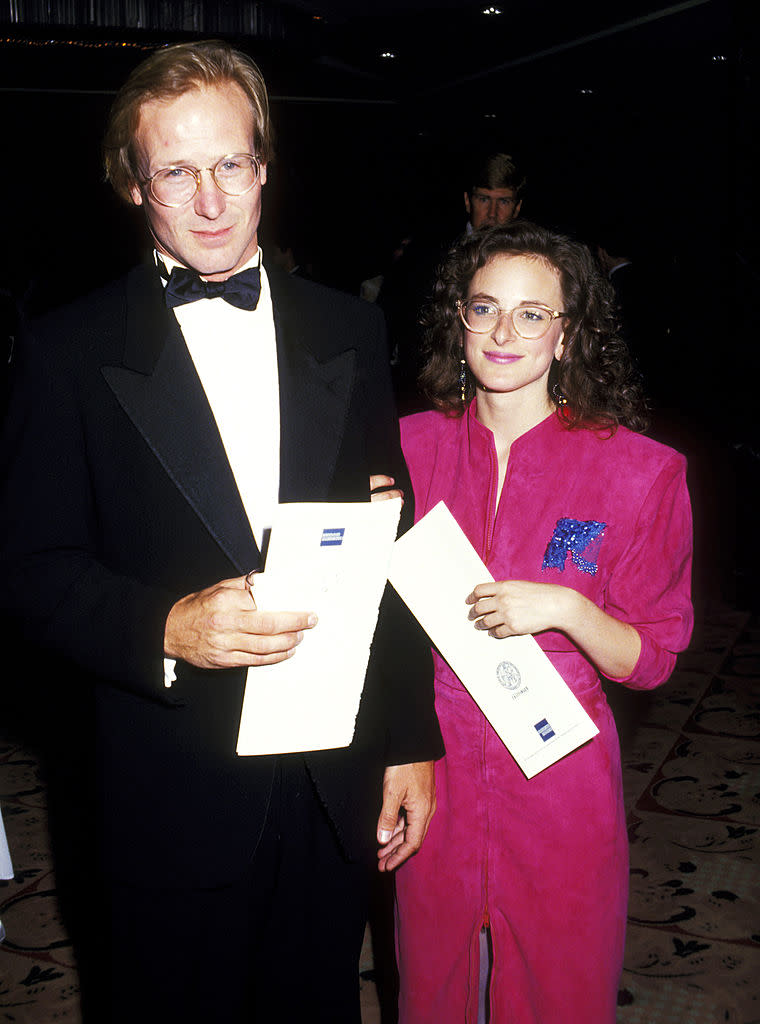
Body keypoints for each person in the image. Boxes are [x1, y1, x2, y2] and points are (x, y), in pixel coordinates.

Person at [0, 40, 443, 1024]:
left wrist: (410, 738)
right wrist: (164, 625)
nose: (211, 200)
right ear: (131, 184)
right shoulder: (68, 348)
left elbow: (388, 541)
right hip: (170, 781)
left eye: (231, 164)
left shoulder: (349, 330)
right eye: (176, 171)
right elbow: (26, 569)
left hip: (330, 774)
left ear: (264, 166)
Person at [394, 221, 693, 1023]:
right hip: (435, 773)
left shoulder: (640, 472)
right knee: (431, 993)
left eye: (532, 315)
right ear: (458, 320)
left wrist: (566, 608)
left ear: (567, 336)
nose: (503, 332)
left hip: (562, 787)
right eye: (485, 308)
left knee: (561, 994)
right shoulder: (404, 452)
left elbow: (654, 656)